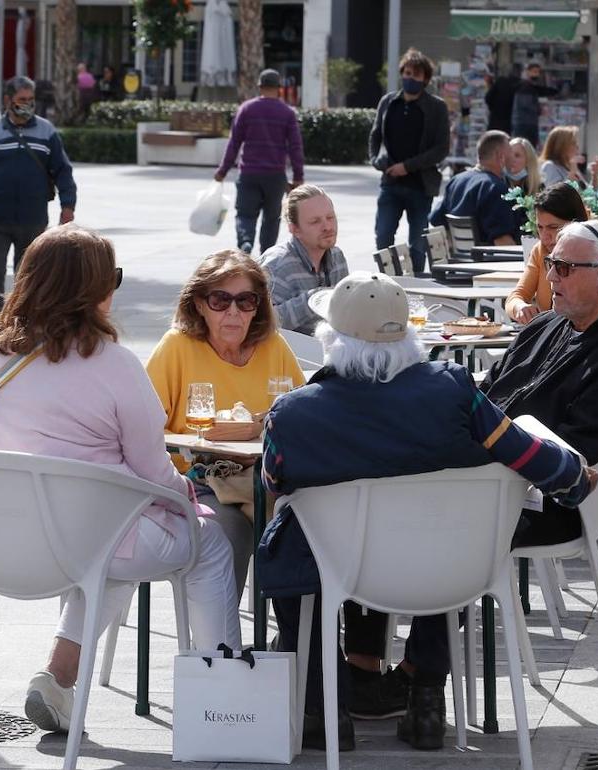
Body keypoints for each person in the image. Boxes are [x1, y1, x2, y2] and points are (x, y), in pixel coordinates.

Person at [260, 272, 595, 751]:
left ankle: (322, 708)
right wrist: (575, 475)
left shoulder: (293, 414)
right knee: (449, 529)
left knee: (290, 542)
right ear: (410, 335)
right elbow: (525, 453)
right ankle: (426, 700)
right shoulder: (453, 392)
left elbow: (272, 480)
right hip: (446, 573)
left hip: (345, 571)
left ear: (331, 339)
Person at [0, 225, 241, 733]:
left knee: (114, 534)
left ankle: (59, 678)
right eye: (112, 277)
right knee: (206, 541)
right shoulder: (113, 363)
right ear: (93, 290)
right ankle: (221, 696)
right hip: (83, 538)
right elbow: (154, 470)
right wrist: (186, 500)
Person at [482, 219, 598, 548]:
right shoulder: (547, 324)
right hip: (485, 480)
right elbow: (488, 392)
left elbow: (572, 454)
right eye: (550, 263)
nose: (549, 277)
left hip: (536, 504)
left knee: (400, 518)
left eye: (563, 268)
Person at [146, 250, 306, 598]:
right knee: (226, 532)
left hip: (265, 479)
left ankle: (296, 644)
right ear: (200, 304)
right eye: (220, 300)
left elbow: (304, 413)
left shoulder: (273, 346)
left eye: (245, 301)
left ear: (258, 306)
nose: (233, 311)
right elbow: (145, 430)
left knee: (305, 528)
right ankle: (219, 646)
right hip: (195, 478)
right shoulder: (178, 347)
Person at [0, 75, 77, 354]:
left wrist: (67, 205)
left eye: (30, 100)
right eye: (21, 100)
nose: (27, 105)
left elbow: (63, 170)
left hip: (33, 218)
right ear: (8, 101)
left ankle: (24, 331)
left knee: (29, 277)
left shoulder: (46, 132)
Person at [368, 48, 451, 274]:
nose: (410, 78)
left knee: (417, 242)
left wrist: (408, 166)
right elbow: (375, 135)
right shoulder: (388, 102)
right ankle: (385, 280)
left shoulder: (436, 107)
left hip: (420, 186)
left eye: (415, 74)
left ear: (425, 78)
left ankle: (414, 285)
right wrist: (376, 161)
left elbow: (441, 148)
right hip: (390, 183)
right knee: (383, 234)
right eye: (406, 73)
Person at [214, 68, 305, 255]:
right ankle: (266, 255)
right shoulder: (287, 113)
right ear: (278, 88)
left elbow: (234, 143)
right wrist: (298, 177)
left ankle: (246, 242)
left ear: (260, 87)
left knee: (245, 214)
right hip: (275, 175)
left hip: (249, 173)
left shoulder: (246, 109)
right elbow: (295, 147)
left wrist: (222, 170)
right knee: (272, 219)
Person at [261, 184, 350, 335]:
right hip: (297, 355)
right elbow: (262, 324)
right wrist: (314, 299)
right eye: (315, 221)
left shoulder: (337, 257)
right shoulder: (277, 265)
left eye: (330, 217)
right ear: (294, 229)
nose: (327, 227)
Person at [504, 182, 588, 324]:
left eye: (553, 227)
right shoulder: (540, 250)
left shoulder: (593, 253)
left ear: (575, 223)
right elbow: (516, 296)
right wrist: (521, 307)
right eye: (540, 228)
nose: (544, 236)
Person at [429, 130, 519, 246]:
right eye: (510, 152)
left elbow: (436, 221)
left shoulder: (456, 181)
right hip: (487, 261)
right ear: (500, 156)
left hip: (459, 259)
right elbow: (503, 242)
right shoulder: (495, 189)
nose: (513, 158)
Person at [510, 61, 558, 147]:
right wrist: (540, 110)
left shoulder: (529, 86)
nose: (537, 75)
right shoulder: (525, 86)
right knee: (525, 146)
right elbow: (526, 104)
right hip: (524, 123)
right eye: (534, 72)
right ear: (528, 72)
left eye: (538, 72)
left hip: (527, 122)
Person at [484, 66, 519, 134]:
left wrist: (492, 107)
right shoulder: (518, 86)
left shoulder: (500, 81)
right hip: (508, 122)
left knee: (493, 139)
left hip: (495, 119)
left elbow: (488, 98)